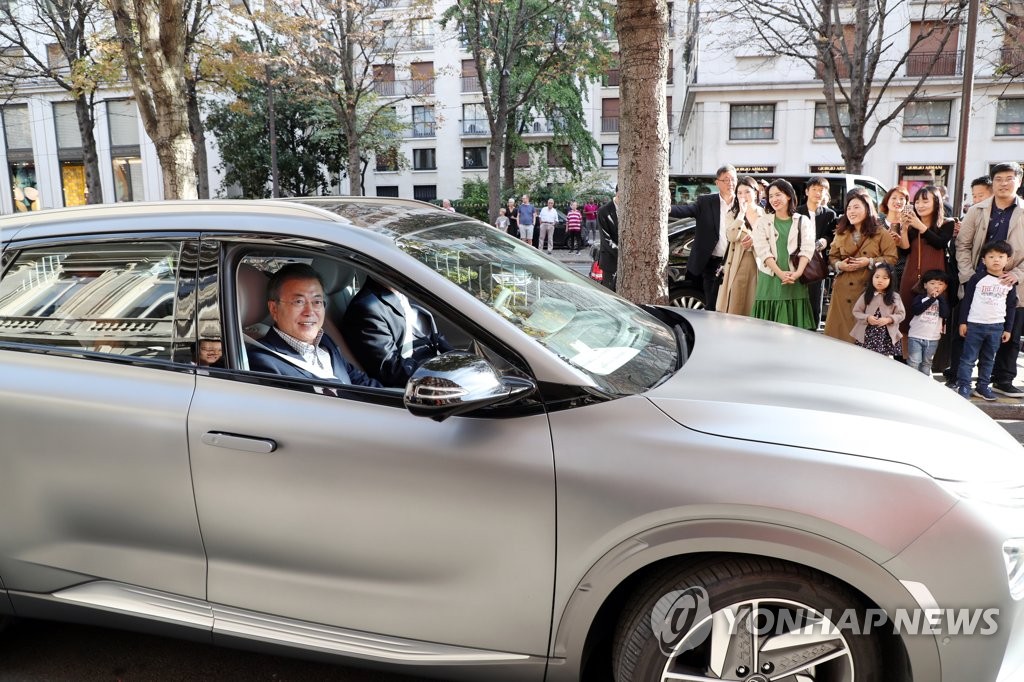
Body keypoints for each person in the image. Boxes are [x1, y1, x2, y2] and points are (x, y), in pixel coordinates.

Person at [247, 263, 381, 387]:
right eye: (298, 302)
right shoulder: (263, 362)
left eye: (317, 302)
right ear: (274, 309)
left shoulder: (325, 341)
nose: (309, 312)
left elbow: (359, 381)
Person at [955, 162, 1024, 397]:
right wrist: (968, 275)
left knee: (1009, 333)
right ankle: (961, 379)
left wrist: (1017, 274)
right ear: (992, 182)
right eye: (998, 179)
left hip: (1010, 281)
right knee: (967, 330)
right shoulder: (977, 210)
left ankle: (1002, 380)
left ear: (1019, 181)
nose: (1003, 183)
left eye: (1009, 178)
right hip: (978, 280)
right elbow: (963, 245)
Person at [342, 277, 454, 388]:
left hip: (429, 363)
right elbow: (391, 368)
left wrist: (454, 358)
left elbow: (432, 334)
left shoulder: (404, 291)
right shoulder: (366, 308)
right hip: (414, 384)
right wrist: (440, 373)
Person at [823, 188, 899, 343]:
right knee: (837, 339)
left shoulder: (881, 233)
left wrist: (869, 262)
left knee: (862, 339)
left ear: (867, 209)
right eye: (849, 208)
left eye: (856, 207)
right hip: (842, 292)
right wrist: (839, 265)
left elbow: (892, 258)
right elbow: (832, 257)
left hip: (868, 292)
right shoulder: (841, 232)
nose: (851, 211)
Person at [895, 186, 955, 357]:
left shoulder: (947, 223)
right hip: (911, 275)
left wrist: (920, 226)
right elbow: (905, 250)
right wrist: (904, 230)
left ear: (936, 202)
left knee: (931, 318)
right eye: (917, 201)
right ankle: (904, 359)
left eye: (925, 201)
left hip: (936, 278)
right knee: (906, 317)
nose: (920, 205)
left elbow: (939, 243)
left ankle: (927, 361)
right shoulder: (911, 225)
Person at [669, 164, 738, 311]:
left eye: (733, 179)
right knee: (712, 305)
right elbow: (685, 210)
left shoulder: (742, 203)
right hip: (713, 263)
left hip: (736, 262)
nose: (730, 183)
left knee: (735, 305)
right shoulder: (706, 202)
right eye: (726, 179)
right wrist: (665, 208)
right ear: (717, 182)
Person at [749, 179, 816, 329]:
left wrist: (798, 273)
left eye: (778, 194)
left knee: (795, 329)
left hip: (795, 279)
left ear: (789, 196)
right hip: (770, 278)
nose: (774, 199)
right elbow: (763, 251)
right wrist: (780, 273)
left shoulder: (802, 221)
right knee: (766, 329)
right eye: (770, 196)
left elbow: (807, 248)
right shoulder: (762, 221)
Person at [956, 240, 1018, 401]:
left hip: (996, 327)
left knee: (988, 359)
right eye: (991, 256)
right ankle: (964, 385)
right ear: (984, 260)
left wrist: (1008, 329)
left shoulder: (1009, 282)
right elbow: (967, 301)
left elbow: (1011, 307)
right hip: (975, 325)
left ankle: (983, 387)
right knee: (968, 358)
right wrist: (963, 322)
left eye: (1000, 256)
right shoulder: (977, 278)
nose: (996, 260)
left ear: (1008, 259)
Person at [716, 176, 763, 316]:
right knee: (737, 304)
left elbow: (771, 239)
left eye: (747, 192)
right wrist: (741, 215)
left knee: (755, 304)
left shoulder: (765, 214)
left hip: (760, 264)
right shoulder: (732, 214)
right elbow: (731, 236)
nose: (743, 196)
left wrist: (755, 240)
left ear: (756, 192)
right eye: (739, 192)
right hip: (738, 263)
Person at [795, 176, 838, 325]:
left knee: (815, 301)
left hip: (818, 264)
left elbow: (832, 236)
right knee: (797, 298)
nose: (818, 193)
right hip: (797, 261)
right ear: (807, 191)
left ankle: (813, 328)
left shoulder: (830, 214)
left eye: (822, 190)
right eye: (814, 189)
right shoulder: (796, 212)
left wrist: (824, 241)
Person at [850, 263, 905, 356]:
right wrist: (867, 318)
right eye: (877, 277)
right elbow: (856, 311)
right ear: (872, 278)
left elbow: (901, 314)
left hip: (885, 335)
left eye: (885, 278)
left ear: (891, 280)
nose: (880, 280)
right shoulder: (867, 294)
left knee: (882, 358)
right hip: (867, 333)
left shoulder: (895, 297)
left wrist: (889, 319)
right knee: (864, 356)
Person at [906, 270, 950, 376]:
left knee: (927, 363)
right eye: (932, 283)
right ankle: (910, 382)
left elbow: (945, 314)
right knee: (914, 362)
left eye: (940, 284)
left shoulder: (943, 301)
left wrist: (939, 298)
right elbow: (916, 310)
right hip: (916, 336)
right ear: (925, 285)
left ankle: (923, 383)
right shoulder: (920, 298)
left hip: (933, 338)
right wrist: (931, 299)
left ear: (945, 287)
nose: (936, 286)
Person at [877, 186, 912, 305]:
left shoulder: (909, 224)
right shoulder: (877, 223)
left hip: (903, 272)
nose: (898, 201)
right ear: (887, 201)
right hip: (880, 270)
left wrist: (903, 234)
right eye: (894, 198)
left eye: (902, 198)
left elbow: (908, 250)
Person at [597, 187, 619, 290]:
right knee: (610, 292)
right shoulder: (603, 211)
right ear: (618, 193)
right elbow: (606, 239)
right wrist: (623, 254)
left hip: (629, 263)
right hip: (610, 261)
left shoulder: (630, 209)